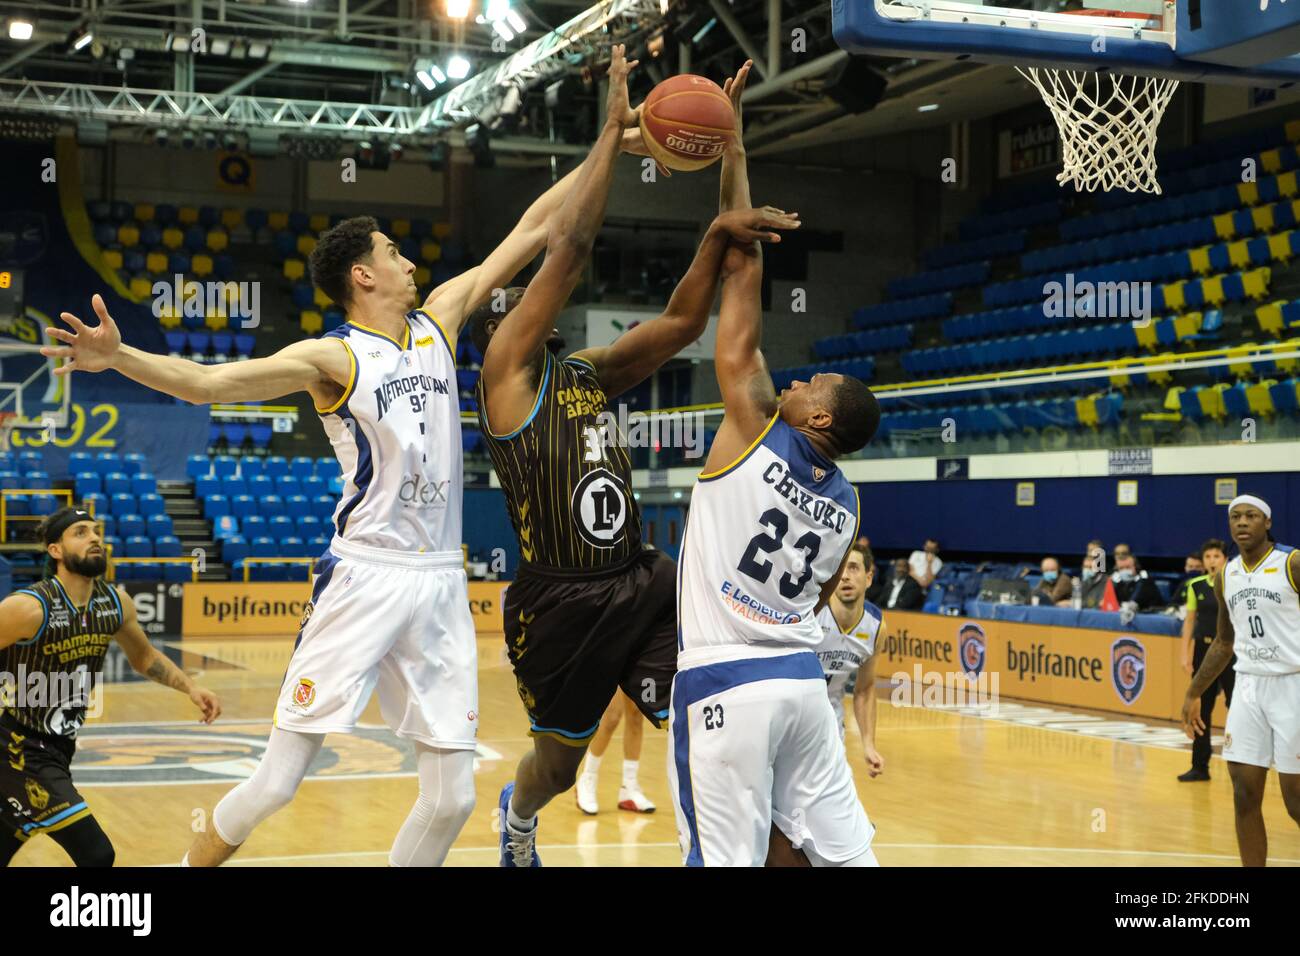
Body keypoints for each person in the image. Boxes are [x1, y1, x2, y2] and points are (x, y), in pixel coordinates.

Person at [45, 101, 648, 866]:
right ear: (363, 273)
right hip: (364, 575)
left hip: (437, 580)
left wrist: (606, 145)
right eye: (393, 251)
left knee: (455, 794)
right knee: (277, 782)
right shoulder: (333, 359)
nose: (407, 259)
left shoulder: (440, 321)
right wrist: (120, 356)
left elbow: (533, 229)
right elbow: (205, 382)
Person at [472, 54, 798, 867]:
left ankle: (739, 847)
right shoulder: (506, 377)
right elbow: (571, 248)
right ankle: (517, 815)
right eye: (522, 310)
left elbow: (689, 319)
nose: (538, 314)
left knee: (708, 713)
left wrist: (730, 165)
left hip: (643, 578)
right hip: (561, 603)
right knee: (557, 763)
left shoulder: (587, 372)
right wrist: (612, 135)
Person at [667, 81, 881, 865]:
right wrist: (732, 145)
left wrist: (734, 151)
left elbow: (740, 279)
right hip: (799, 684)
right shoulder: (849, 502)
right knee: (842, 855)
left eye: (810, 388)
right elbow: (823, 598)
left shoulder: (755, 425)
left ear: (818, 420)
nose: (796, 382)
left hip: (724, 681)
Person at [0, 508, 221, 866]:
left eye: (96, 532)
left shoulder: (114, 603)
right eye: (81, 532)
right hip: (19, 750)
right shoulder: (28, 608)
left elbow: (145, 657)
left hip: (59, 748)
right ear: (55, 550)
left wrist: (190, 689)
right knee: (97, 854)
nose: (94, 538)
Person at [1180, 495, 1300, 866]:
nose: (1242, 523)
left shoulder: (1292, 562)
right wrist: (1193, 692)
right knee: (1244, 794)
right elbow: (1224, 641)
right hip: (1248, 687)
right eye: (1235, 517)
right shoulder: (1226, 574)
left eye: (1251, 516)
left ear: (1267, 523)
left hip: (1293, 684)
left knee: (1295, 799)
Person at [813, 545, 884, 775]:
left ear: (869, 577)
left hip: (831, 725)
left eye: (853, 568)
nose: (845, 576)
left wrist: (868, 745)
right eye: (840, 569)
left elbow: (864, 690)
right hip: (793, 716)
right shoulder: (813, 611)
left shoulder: (876, 627)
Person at [1178, 538, 1231, 783]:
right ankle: (1200, 766)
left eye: (1216, 556)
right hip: (1203, 649)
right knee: (1201, 708)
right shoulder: (1195, 585)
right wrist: (1184, 652)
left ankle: (1242, 763)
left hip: (1231, 652)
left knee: (1237, 707)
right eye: (1208, 557)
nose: (1212, 561)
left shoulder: (1235, 582)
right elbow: (1190, 621)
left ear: (1225, 559)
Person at [574, 691, 655, 814]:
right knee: (612, 716)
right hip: (610, 670)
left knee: (636, 715)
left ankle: (629, 785)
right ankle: (588, 777)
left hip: (637, 671)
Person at [1078, 539, 1107, 608]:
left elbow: (1095, 603)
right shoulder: (1081, 577)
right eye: (1090, 550)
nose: (1091, 554)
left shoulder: (1105, 579)